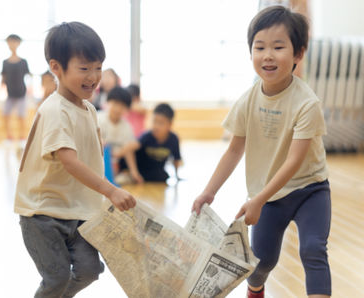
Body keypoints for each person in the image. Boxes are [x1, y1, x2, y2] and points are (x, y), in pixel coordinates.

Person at [191, 6, 331, 298]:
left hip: (310, 191)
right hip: (268, 196)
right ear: (251, 52)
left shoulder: (307, 103)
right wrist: (209, 191)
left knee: (313, 249)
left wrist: (258, 200)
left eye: (278, 47)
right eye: (260, 47)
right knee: (262, 261)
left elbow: (294, 161)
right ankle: (255, 289)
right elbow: (233, 150)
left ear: (298, 54)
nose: (268, 54)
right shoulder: (248, 100)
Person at [14, 22, 136, 298]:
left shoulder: (90, 109)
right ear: (56, 67)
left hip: (78, 212)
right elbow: (69, 161)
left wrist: (106, 194)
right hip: (42, 213)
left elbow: (92, 160)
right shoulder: (56, 110)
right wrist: (111, 190)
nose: (93, 77)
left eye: (98, 68)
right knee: (56, 278)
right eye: (84, 69)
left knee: (90, 270)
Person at [98, 86, 143, 184]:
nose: (118, 109)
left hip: (116, 166)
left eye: (122, 106)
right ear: (108, 102)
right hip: (98, 163)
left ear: (127, 109)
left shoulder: (126, 126)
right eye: (115, 104)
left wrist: (134, 172)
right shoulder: (99, 119)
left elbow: (128, 151)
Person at [127, 103, 182, 182]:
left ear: (170, 124)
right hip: (142, 168)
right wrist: (134, 172)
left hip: (156, 170)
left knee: (164, 176)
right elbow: (129, 149)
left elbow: (176, 159)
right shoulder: (147, 136)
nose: (156, 126)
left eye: (161, 123)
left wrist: (177, 176)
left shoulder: (174, 139)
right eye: (154, 121)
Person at [1, 34, 30, 144]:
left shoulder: (23, 61)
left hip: (21, 93)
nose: (12, 44)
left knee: (21, 116)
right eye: (10, 42)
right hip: (10, 94)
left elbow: (28, 77)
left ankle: (22, 137)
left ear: (18, 43)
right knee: (5, 115)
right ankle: (9, 136)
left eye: (14, 42)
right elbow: (3, 78)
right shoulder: (5, 62)